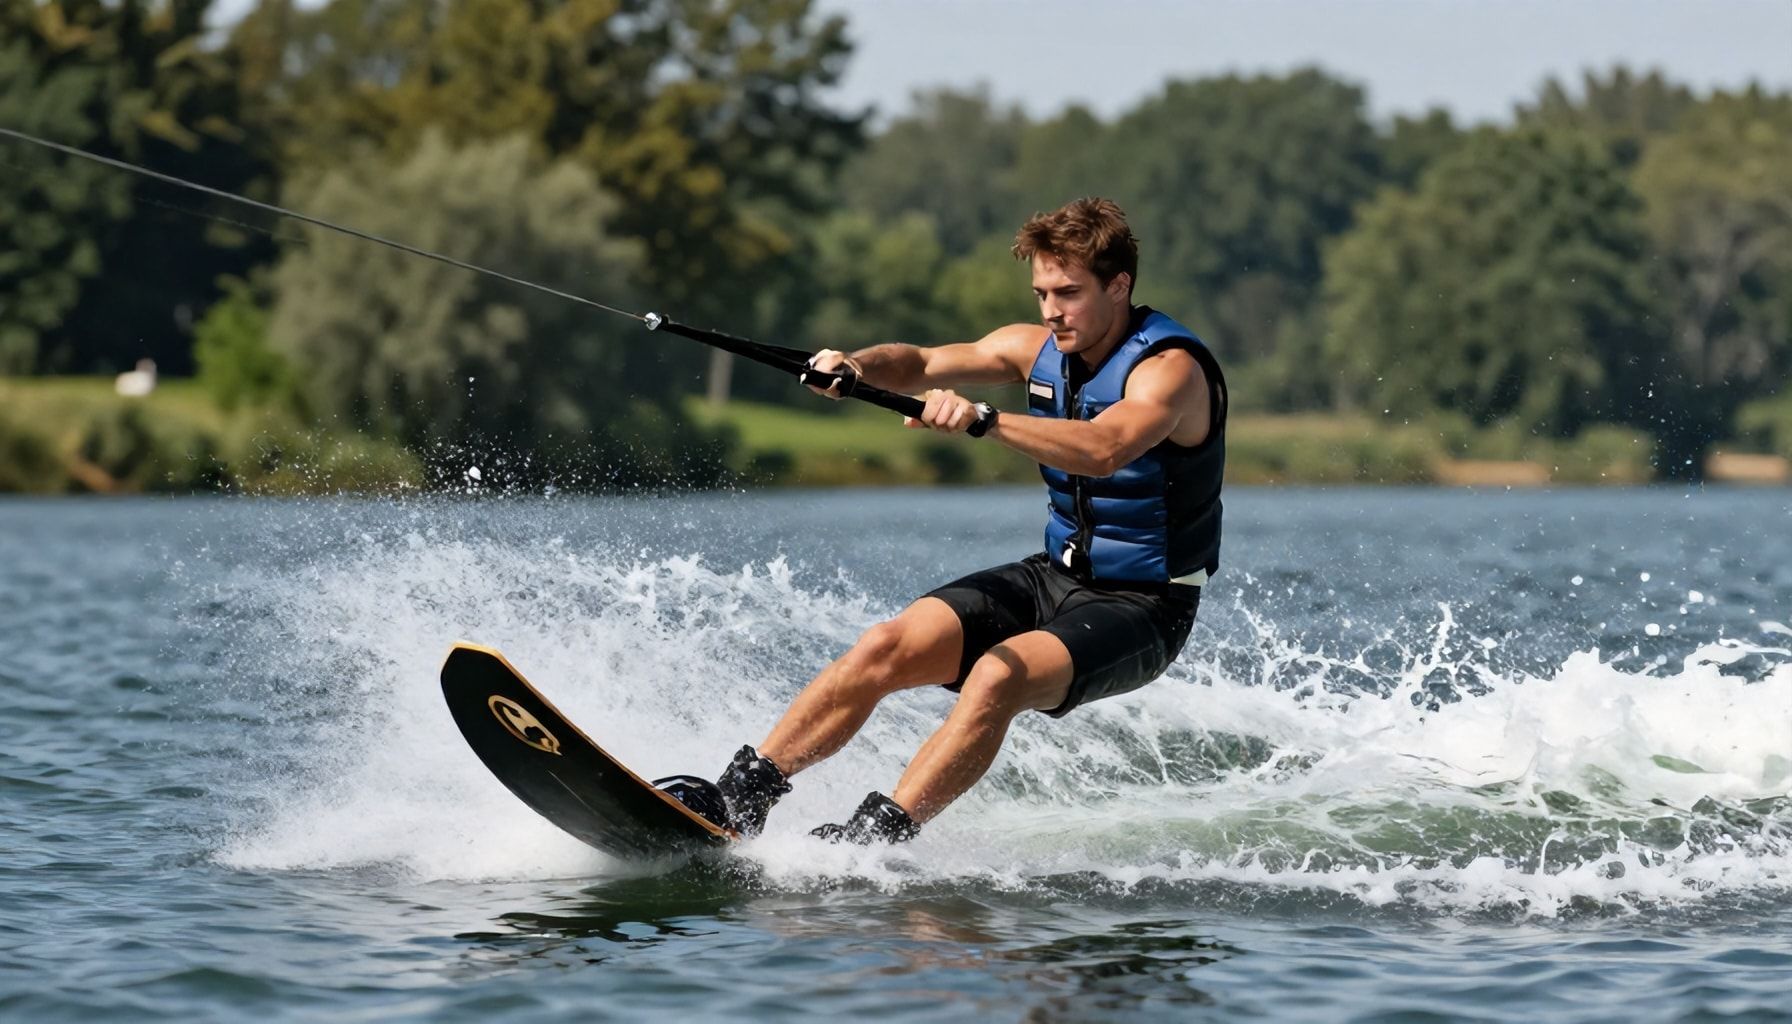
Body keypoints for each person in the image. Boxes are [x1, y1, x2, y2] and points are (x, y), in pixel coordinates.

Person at [665, 197, 1227, 843]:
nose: (1051, 309)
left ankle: (873, 842)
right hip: (1054, 576)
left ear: (1120, 285)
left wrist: (983, 419)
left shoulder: (1170, 369)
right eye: (1043, 291)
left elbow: (1104, 450)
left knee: (996, 677)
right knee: (885, 644)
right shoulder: (1034, 346)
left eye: (1069, 293)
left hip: (1147, 604)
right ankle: (739, 800)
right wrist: (854, 367)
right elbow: (923, 362)